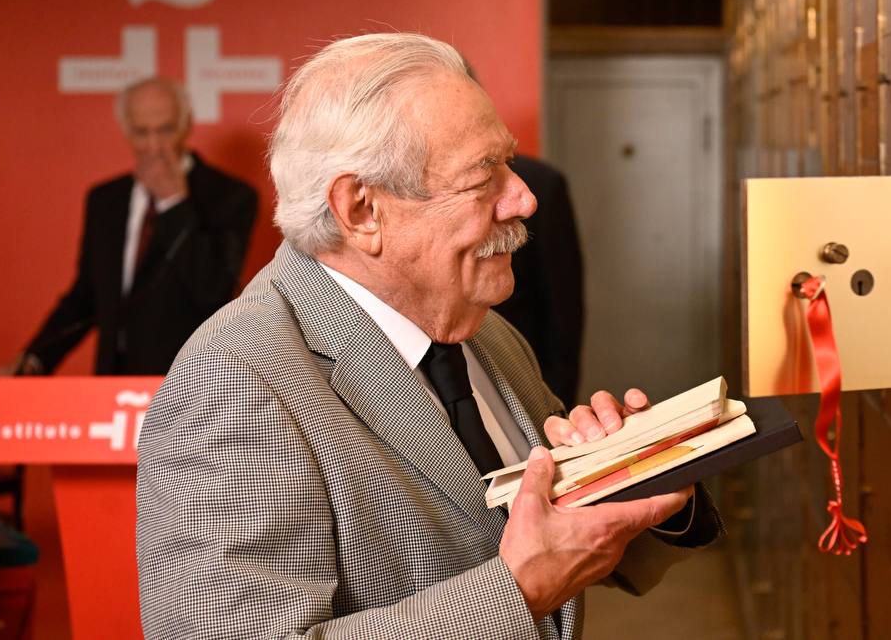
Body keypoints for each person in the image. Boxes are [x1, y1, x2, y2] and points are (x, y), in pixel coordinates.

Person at [135, 33, 721, 639]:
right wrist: (520, 591)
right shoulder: (233, 378)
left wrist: (636, 474)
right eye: (483, 176)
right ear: (361, 210)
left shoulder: (485, 332)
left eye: (510, 164)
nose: (523, 199)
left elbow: (550, 538)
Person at [10, 78, 257, 376]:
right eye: (142, 132)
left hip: (192, 381)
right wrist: (35, 358)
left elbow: (213, 290)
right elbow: (88, 296)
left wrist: (173, 203)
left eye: (165, 130)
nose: (154, 146)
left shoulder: (230, 196)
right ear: (126, 131)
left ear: (187, 125)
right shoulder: (105, 200)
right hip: (113, 383)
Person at [494, 154, 585, 408]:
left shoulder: (542, 182)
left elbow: (563, 309)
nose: (526, 203)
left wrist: (559, 407)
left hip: (530, 380)